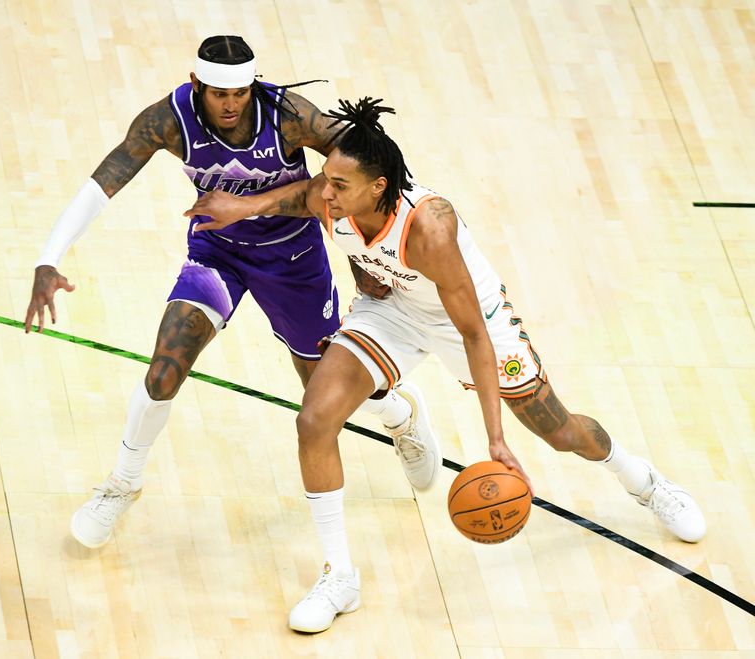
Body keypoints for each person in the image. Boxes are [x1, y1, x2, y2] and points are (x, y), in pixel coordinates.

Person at [185, 96, 707, 634]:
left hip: (472, 321)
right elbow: (298, 196)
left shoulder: (429, 228)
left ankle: (643, 481)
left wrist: (495, 440)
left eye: (339, 184)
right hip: (392, 311)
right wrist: (240, 206)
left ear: (378, 187)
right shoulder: (331, 196)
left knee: (561, 432)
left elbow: (473, 334)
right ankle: (339, 575)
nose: (326, 189)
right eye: (327, 179)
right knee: (314, 420)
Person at [24, 37, 442, 550]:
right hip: (217, 253)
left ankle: (399, 413)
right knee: (165, 366)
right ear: (197, 84)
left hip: (293, 259)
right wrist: (49, 258)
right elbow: (104, 180)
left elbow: (374, 170)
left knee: (322, 391)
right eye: (219, 92)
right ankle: (121, 484)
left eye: (240, 93)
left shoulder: (288, 115)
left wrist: (374, 255)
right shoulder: (169, 120)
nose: (230, 103)